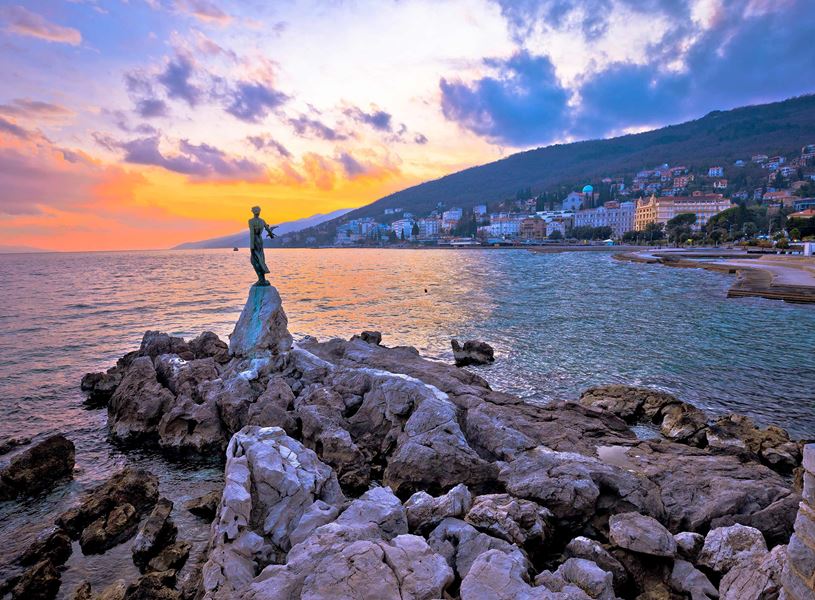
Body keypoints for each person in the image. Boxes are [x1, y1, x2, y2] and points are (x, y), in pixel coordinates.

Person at [248, 206, 277, 286]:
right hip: (260, 241)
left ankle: (261, 279)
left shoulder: (251, 221)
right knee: (260, 259)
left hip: (255, 240)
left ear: (253, 212)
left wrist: (251, 246)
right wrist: (271, 235)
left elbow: (252, 233)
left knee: (254, 260)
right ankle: (262, 279)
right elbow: (269, 231)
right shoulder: (262, 221)